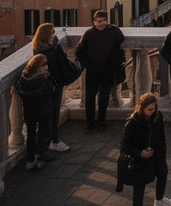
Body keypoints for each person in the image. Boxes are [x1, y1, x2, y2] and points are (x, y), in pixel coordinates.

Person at [117, 94, 171, 206]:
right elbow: (123, 147)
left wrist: (163, 150)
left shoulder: (158, 116)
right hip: (140, 159)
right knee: (139, 187)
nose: (152, 112)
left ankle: (160, 199)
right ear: (142, 108)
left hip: (157, 153)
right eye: (149, 109)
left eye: (154, 108)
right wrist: (140, 153)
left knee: (163, 173)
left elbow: (161, 135)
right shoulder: (132, 123)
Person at [75, 9, 126, 132]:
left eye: (103, 21)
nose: (100, 24)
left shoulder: (115, 31)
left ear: (107, 21)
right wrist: (87, 65)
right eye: (98, 22)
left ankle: (101, 121)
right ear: (94, 22)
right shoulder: (89, 33)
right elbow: (79, 52)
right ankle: (90, 124)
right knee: (90, 98)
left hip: (108, 70)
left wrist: (117, 62)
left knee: (103, 98)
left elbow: (120, 47)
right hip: (92, 71)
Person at [32, 23, 78, 152]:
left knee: (52, 113)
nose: (54, 35)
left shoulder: (45, 48)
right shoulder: (46, 52)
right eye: (52, 33)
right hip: (52, 86)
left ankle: (52, 140)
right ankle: (54, 141)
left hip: (54, 84)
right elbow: (48, 70)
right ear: (46, 35)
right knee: (53, 113)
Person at [17, 54, 55, 170]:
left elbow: (23, 93)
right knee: (43, 132)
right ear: (39, 67)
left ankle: (30, 159)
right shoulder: (42, 80)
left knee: (31, 134)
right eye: (44, 65)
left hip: (29, 111)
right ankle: (38, 155)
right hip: (42, 110)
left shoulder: (23, 78)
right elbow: (48, 91)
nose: (47, 67)